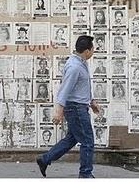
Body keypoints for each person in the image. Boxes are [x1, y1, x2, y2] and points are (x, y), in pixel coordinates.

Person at [36, 35, 100, 178]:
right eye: (93, 48)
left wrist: (91, 101)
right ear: (87, 51)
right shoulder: (75, 66)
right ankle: (85, 174)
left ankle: (44, 159)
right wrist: (59, 110)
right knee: (87, 141)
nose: (94, 51)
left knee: (72, 138)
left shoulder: (81, 62)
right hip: (76, 108)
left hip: (79, 106)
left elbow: (82, 86)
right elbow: (65, 89)